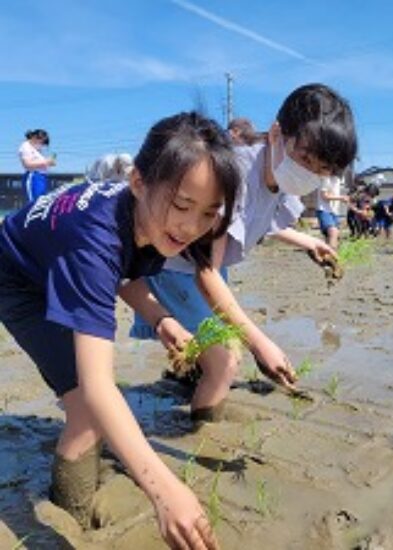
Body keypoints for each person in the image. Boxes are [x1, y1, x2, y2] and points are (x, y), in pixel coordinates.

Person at [0, 111, 243, 549]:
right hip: (16, 277)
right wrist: (164, 489)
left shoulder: (148, 220)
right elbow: (98, 385)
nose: (191, 227)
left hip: (54, 259)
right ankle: (67, 516)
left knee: (89, 404)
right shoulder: (96, 239)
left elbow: (124, 275)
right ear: (138, 182)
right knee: (86, 408)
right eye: (182, 205)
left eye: (209, 212)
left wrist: (159, 319)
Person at [131, 83, 357, 421]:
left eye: (323, 169)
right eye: (305, 158)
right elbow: (205, 274)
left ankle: (192, 377)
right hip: (178, 265)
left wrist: (307, 241)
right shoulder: (234, 174)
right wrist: (260, 344)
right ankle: (202, 435)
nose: (310, 173)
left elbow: (259, 222)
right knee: (227, 359)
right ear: (277, 134)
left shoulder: (279, 177)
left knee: (210, 344)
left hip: (205, 262)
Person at [18, 129, 56, 202]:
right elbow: (27, 164)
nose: (42, 145)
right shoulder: (26, 146)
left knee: (41, 203)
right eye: (42, 143)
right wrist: (46, 162)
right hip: (33, 177)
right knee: (34, 204)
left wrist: (49, 163)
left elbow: (39, 163)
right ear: (35, 138)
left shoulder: (35, 150)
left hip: (41, 177)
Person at [315, 175, 348, 249]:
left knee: (332, 235)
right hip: (324, 210)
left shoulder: (337, 179)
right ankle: (332, 255)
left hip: (334, 211)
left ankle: (329, 254)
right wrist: (341, 198)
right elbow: (325, 196)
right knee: (333, 232)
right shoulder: (325, 178)